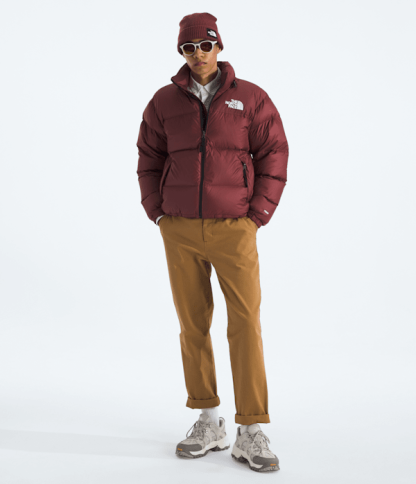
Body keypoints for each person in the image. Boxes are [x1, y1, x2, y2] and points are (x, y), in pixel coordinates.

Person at [136, 12, 289, 472]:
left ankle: (251, 429)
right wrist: (157, 211)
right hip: (180, 228)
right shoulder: (164, 101)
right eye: (188, 48)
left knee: (245, 323)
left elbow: (274, 152)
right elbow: (148, 156)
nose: (198, 54)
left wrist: (257, 215)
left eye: (205, 45)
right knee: (193, 325)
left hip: (234, 227)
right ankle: (208, 420)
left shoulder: (251, 98)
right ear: (181, 53)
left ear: (218, 46)